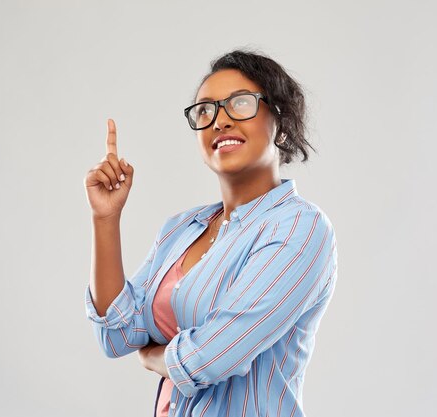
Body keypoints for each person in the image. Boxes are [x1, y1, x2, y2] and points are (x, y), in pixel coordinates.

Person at [83, 49, 338, 417]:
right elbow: (117, 334)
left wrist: (153, 356)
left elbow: (211, 358)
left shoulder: (300, 227)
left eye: (240, 104)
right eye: (205, 110)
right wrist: (105, 218)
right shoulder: (182, 229)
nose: (220, 121)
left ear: (279, 122)